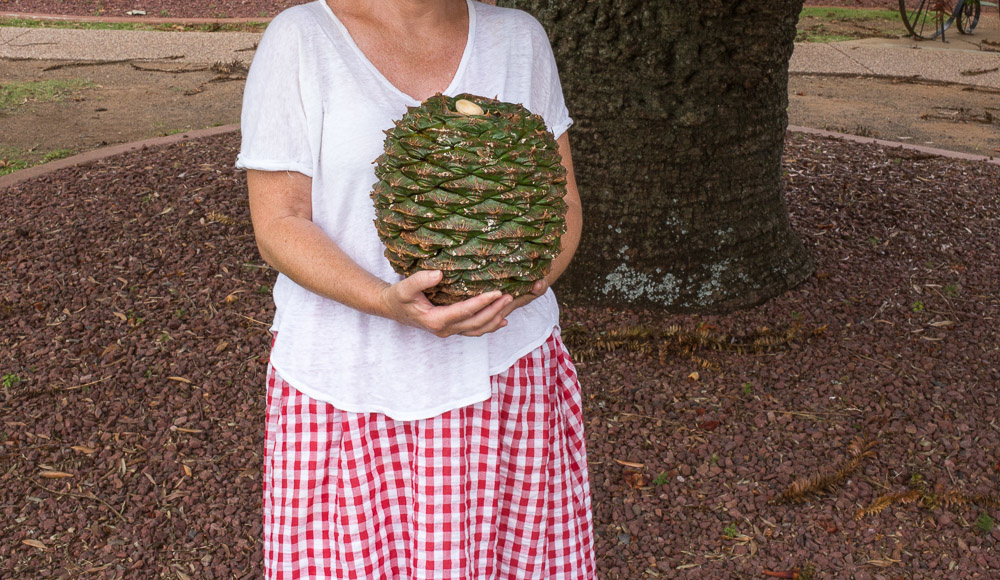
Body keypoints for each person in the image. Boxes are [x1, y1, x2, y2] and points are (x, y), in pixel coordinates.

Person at [236, 0, 593, 577]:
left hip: (505, 371)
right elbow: (279, 224)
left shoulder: (518, 39)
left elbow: (564, 202)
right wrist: (385, 301)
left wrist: (515, 292)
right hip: (348, 385)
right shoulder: (302, 38)